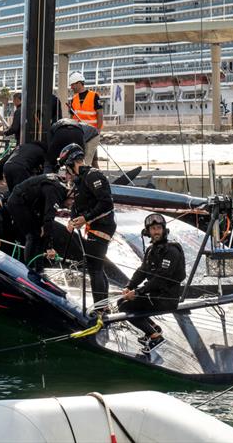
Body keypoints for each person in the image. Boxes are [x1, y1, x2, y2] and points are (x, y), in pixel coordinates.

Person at [118, 213, 185, 352]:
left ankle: (155, 337)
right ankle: (153, 329)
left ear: (164, 230)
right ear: (148, 232)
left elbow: (161, 278)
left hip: (166, 298)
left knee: (125, 307)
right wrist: (129, 286)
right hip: (154, 295)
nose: (156, 231)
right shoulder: (151, 250)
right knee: (121, 301)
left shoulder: (171, 250)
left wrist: (138, 292)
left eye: (159, 228)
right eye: (153, 229)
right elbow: (142, 271)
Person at [59, 143, 115, 302]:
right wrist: (72, 219)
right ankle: (102, 305)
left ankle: (99, 309)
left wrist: (85, 218)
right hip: (94, 226)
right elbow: (79, 205)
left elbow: (106, 203)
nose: (66, 171)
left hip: (102, 225)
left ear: (72, 163)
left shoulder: (93, 176)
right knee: (96, 266)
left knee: (95, 268)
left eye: (66, 167)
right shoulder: (81, 180)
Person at [6, 173, 72, 271]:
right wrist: (49, 247)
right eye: (72, 203)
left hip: (29, 203)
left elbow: (43, 206)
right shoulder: (56, 192)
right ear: (71, 194)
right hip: (18, 202)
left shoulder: (59, 187)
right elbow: (49, 219)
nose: (70, 206)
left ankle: (39, 269)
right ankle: (30, 270)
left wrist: (41, 225)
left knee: (40, 235)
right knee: (33, 236)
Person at [68, 72, 103, 168]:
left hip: (92, 134)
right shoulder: (73, 99)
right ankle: (95, 177)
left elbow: (100, 113)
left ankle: (97, 178)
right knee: (87, 159)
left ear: (79, 83)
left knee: (92, 159)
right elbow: (72, 117)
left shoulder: (94, 96)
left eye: (72, 85)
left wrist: (99, 130)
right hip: (79, 134)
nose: (71, 87)